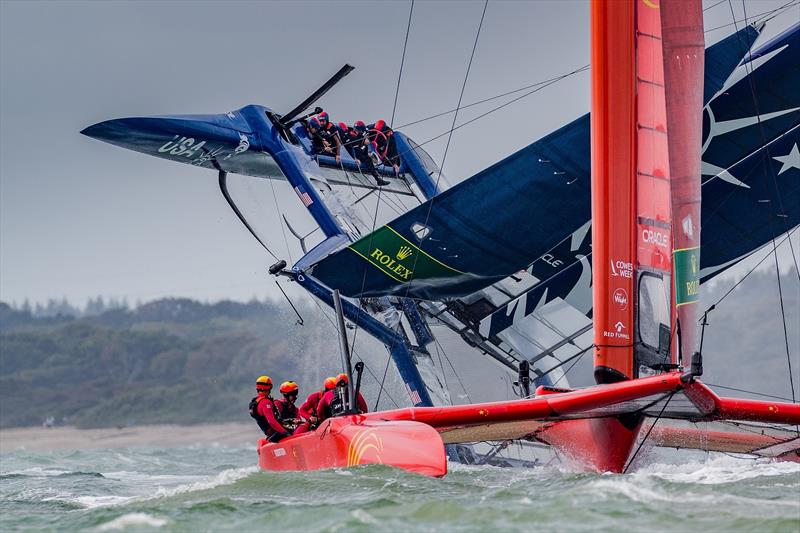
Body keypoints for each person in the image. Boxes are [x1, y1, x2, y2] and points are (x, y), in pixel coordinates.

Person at [249, 375, 291, 443]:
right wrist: (286, 433)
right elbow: (272, 422)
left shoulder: (256, 401)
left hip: (270, 433)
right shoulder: (266, 402)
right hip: (275, 432)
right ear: (269, 387)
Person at [348, 121, 390, 187]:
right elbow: (354, 150)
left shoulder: (361, 136)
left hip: (360, 151)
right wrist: (356, 158)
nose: (367, 136)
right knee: (368, 159)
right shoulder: (353, 137)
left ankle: (377, 177)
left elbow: (363, 146)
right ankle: (378, 180)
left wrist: (366, 148)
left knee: (369, 157)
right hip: (356, 154)